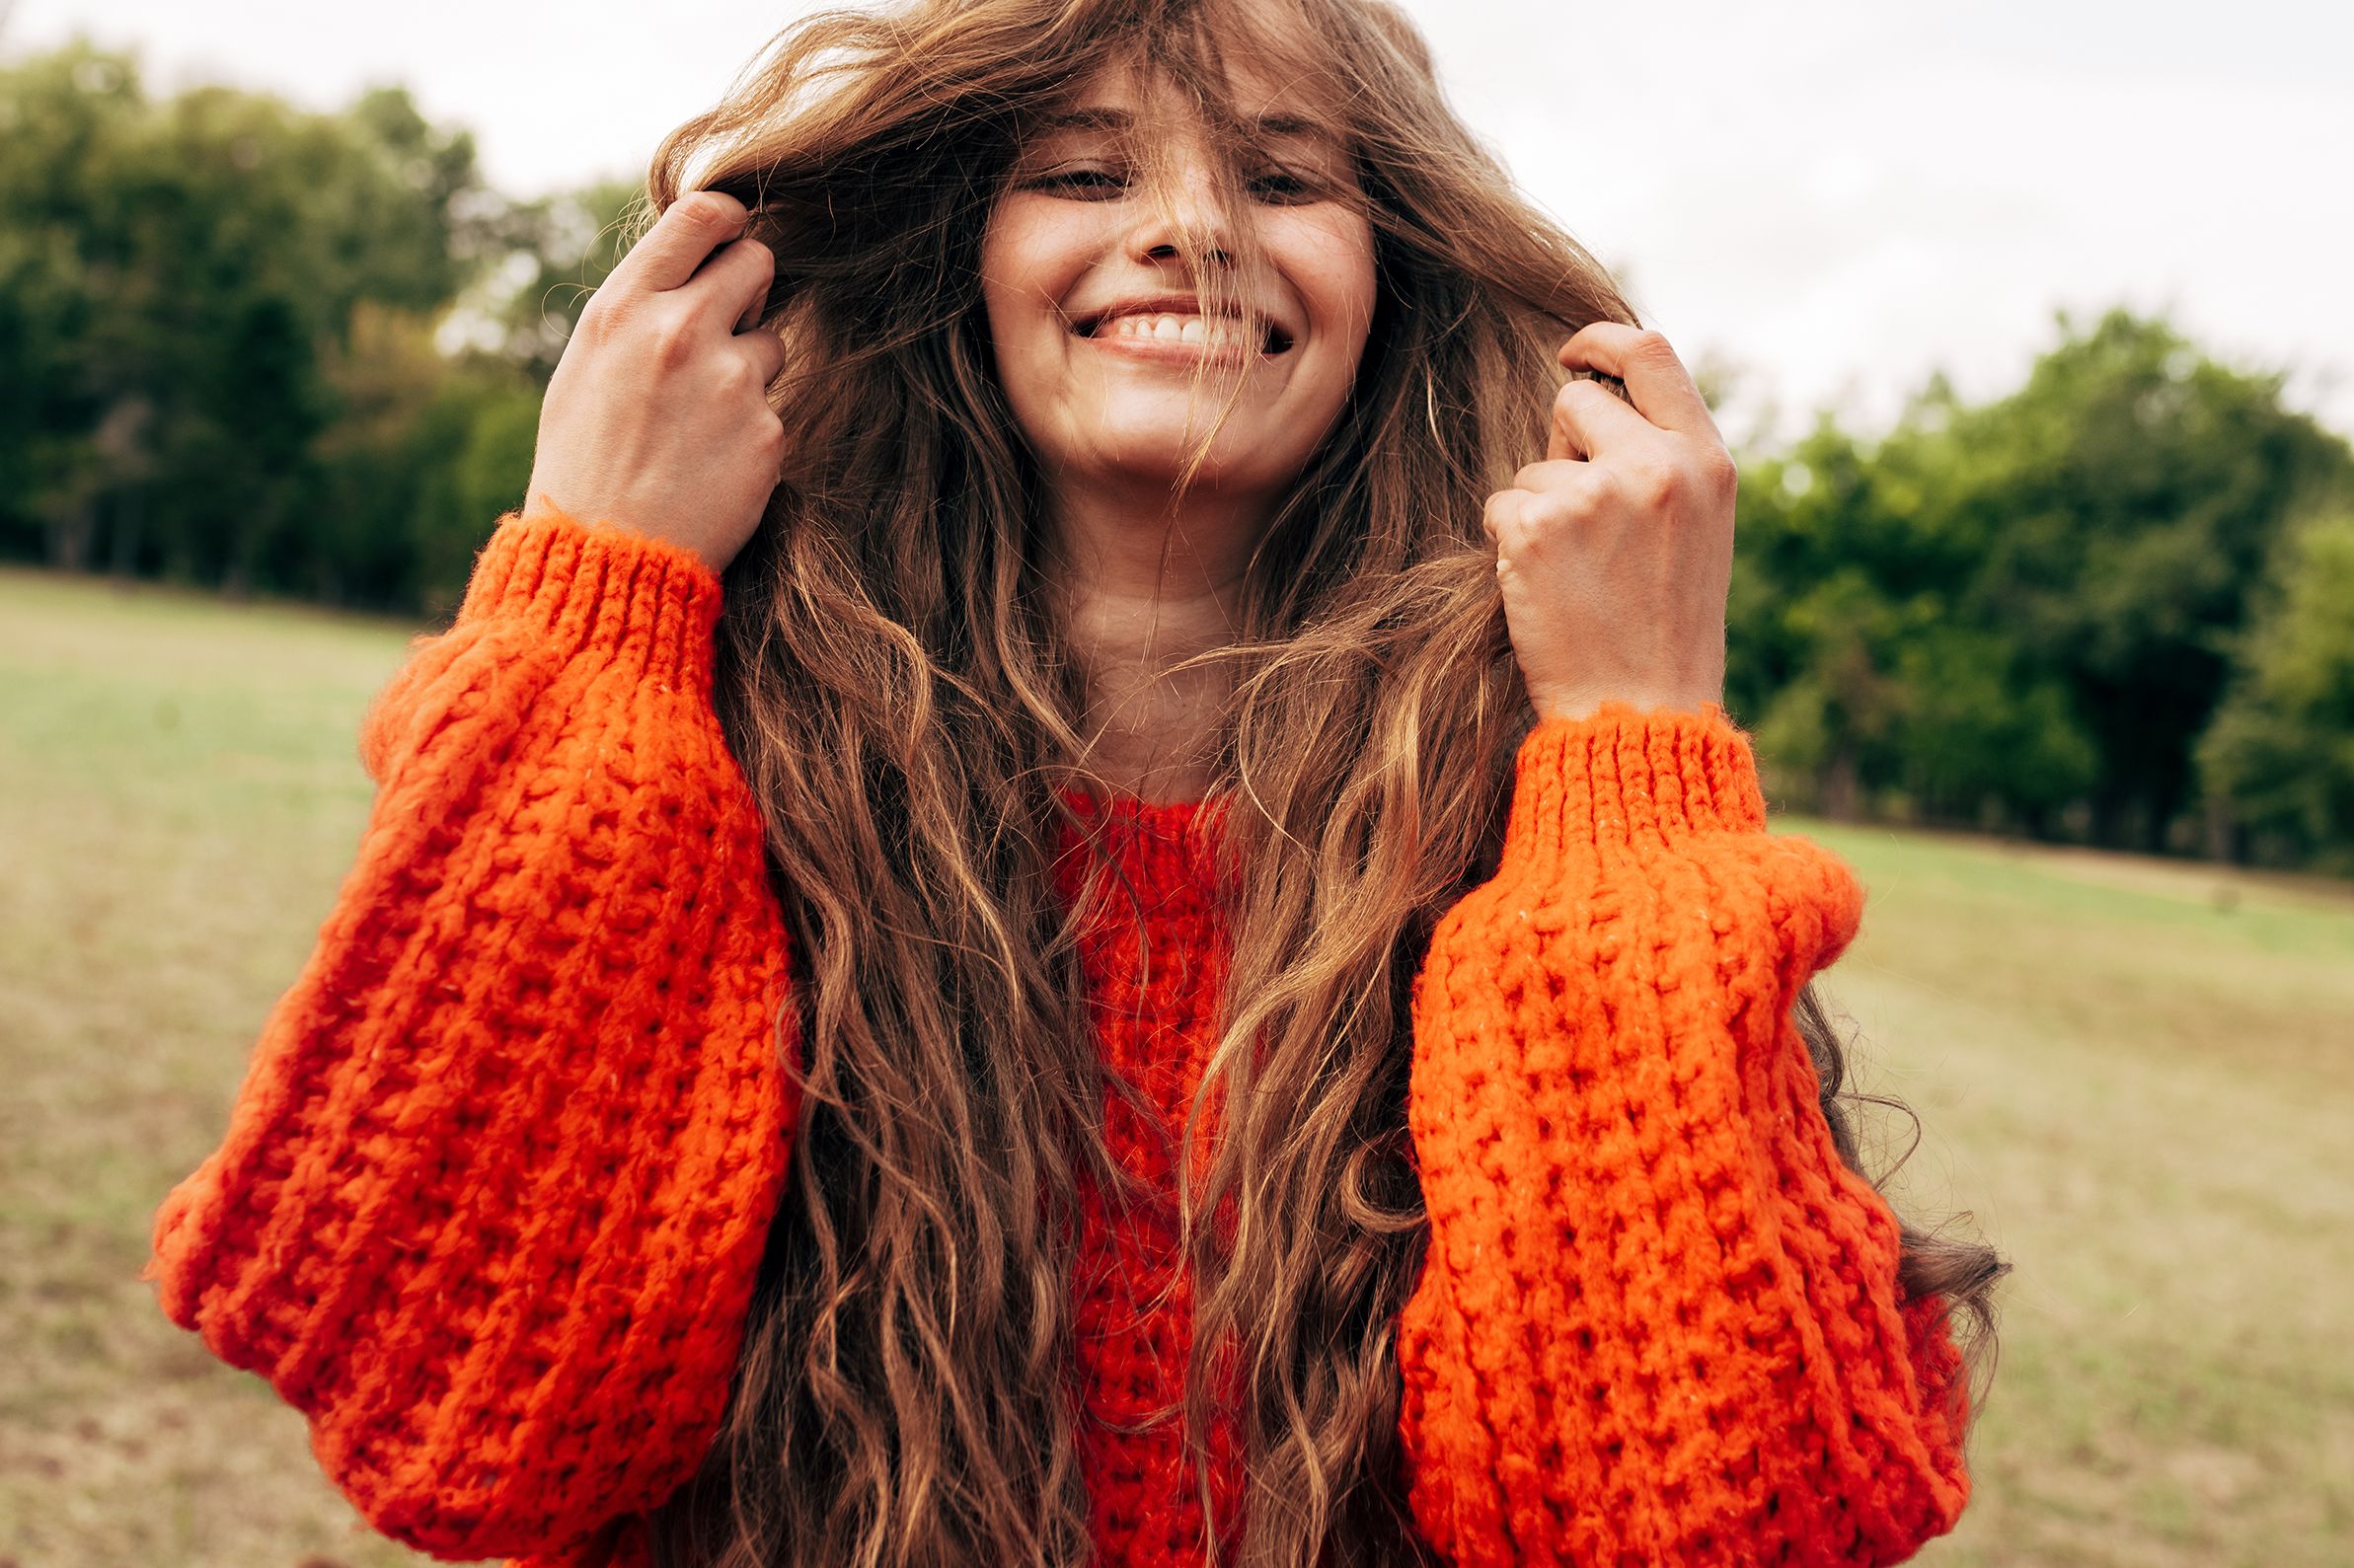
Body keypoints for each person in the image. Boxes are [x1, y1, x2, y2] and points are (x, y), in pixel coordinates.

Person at [142, 0, 2009, 1564]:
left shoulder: (1541, 823)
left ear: (1396, 277)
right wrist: (600, 580)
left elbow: (1689, 1512)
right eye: (1085, 173)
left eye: (1286, 176)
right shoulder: (704, 734)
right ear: (963, 245)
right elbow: (458, 1416)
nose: (1192, 226)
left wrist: (1631, 749)